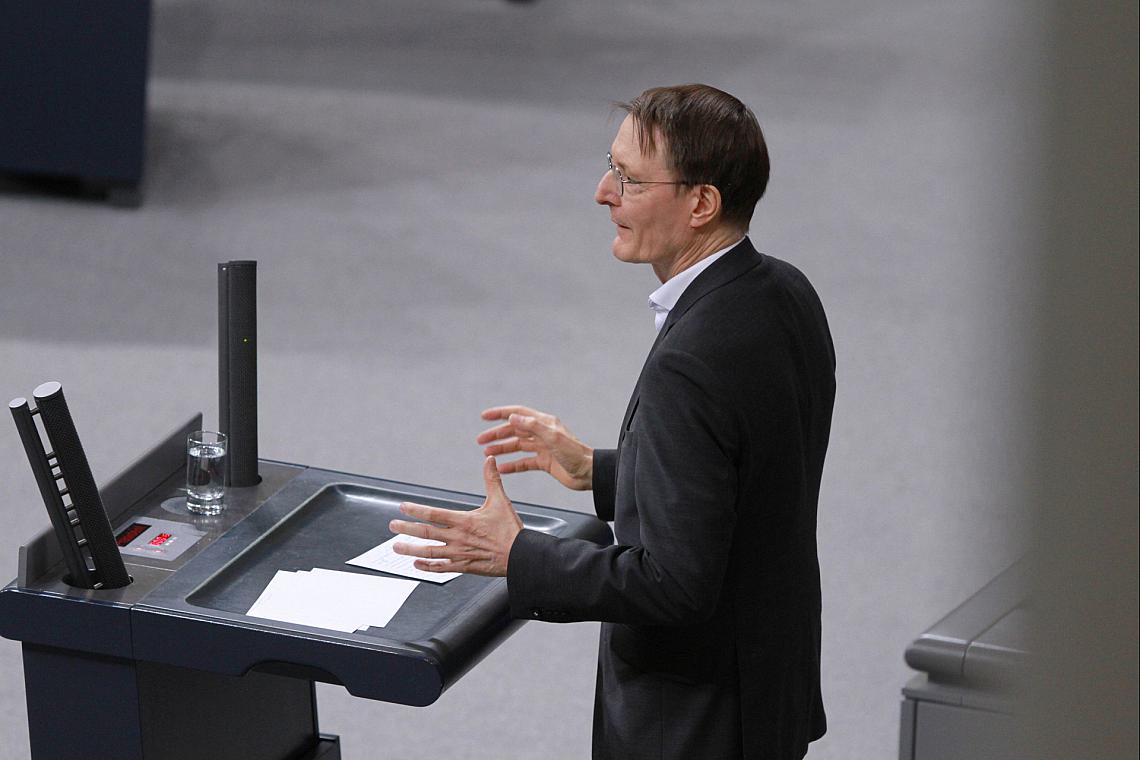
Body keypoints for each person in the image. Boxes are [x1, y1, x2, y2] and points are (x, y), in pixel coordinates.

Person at [389, 83, 835, 760]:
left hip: (695, 725)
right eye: (611, 168)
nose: (603, 193)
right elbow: (747, 478)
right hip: (768, 690)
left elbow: (674, 584)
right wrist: (595, 470)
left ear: (701, 204)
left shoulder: (690, 362)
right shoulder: (786, 293)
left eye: (630, 179)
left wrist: (520, 555)